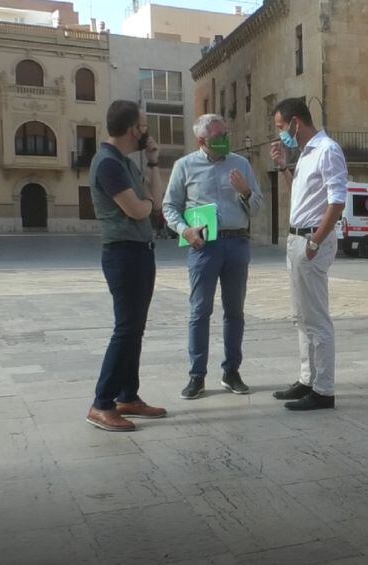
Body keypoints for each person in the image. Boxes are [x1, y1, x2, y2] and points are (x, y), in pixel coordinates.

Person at [164, 114, 263, 399]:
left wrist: (245, 191)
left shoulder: (241, 164)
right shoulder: (184, 166)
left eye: (226, 133)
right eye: (218, 136)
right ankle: (197, 375)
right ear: (202, 141)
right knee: (199, 311)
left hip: (237, 243)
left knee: (235, 312)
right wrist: (185, 231)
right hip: (203, 246)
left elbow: (256, 207)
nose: (224, 139)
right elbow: (170, 207)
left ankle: (231, 371)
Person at [86, 100, 167, 431]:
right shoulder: (107, 164)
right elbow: (137, 209)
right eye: (144, 125)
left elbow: (156, 201)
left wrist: (153, 163)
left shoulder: (127, 163)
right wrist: (147, 204)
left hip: (139, 250)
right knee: (125, 329)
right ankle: (101, 404)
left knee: (135, 328)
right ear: (134, 129)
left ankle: (127, 397)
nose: (147, 131)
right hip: (123, 253)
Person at [269, 97, 346, 411]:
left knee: (316, 319)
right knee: (301, 317)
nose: (280, 133)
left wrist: (315, 241)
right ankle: (307, 379)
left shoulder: (327, 150)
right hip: (297, 240)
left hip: (311, 241)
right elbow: (299, 195)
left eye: (280, 127)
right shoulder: (305, 154)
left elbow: (336, 201)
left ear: (295, 122)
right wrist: (283, 167)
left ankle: (323, 390)